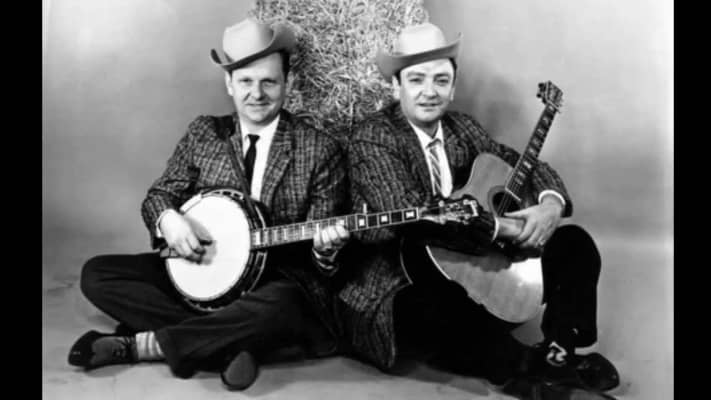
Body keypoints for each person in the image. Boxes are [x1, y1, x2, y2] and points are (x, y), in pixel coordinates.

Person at [324, 23, 621, 399]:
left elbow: (519, 162)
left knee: (574, 242)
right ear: (395, 87)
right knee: (436, 301)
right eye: (416, 80)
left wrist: (550, 204)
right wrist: (501, 228)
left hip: (478, 276)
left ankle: (560, 348)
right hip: (404, 286)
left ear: (453, 86)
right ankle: (526, 367)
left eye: (441, 80)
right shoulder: (373, 137)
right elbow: (415, 211)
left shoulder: (463, 128)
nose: (430, 91)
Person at [67, 18, 347, 391]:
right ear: (229, 83)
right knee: (98, 275)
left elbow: (321, 265)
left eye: (269, 82)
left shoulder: (319, 149)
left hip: (274, 283)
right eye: (245, 81)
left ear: (288, 83)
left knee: (289, 304)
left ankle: (143, 345)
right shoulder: (204, 133)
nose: (257, 93)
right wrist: (169, 220)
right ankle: (234, 344)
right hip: (203, 271)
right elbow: (159, 196)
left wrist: (326, 252)